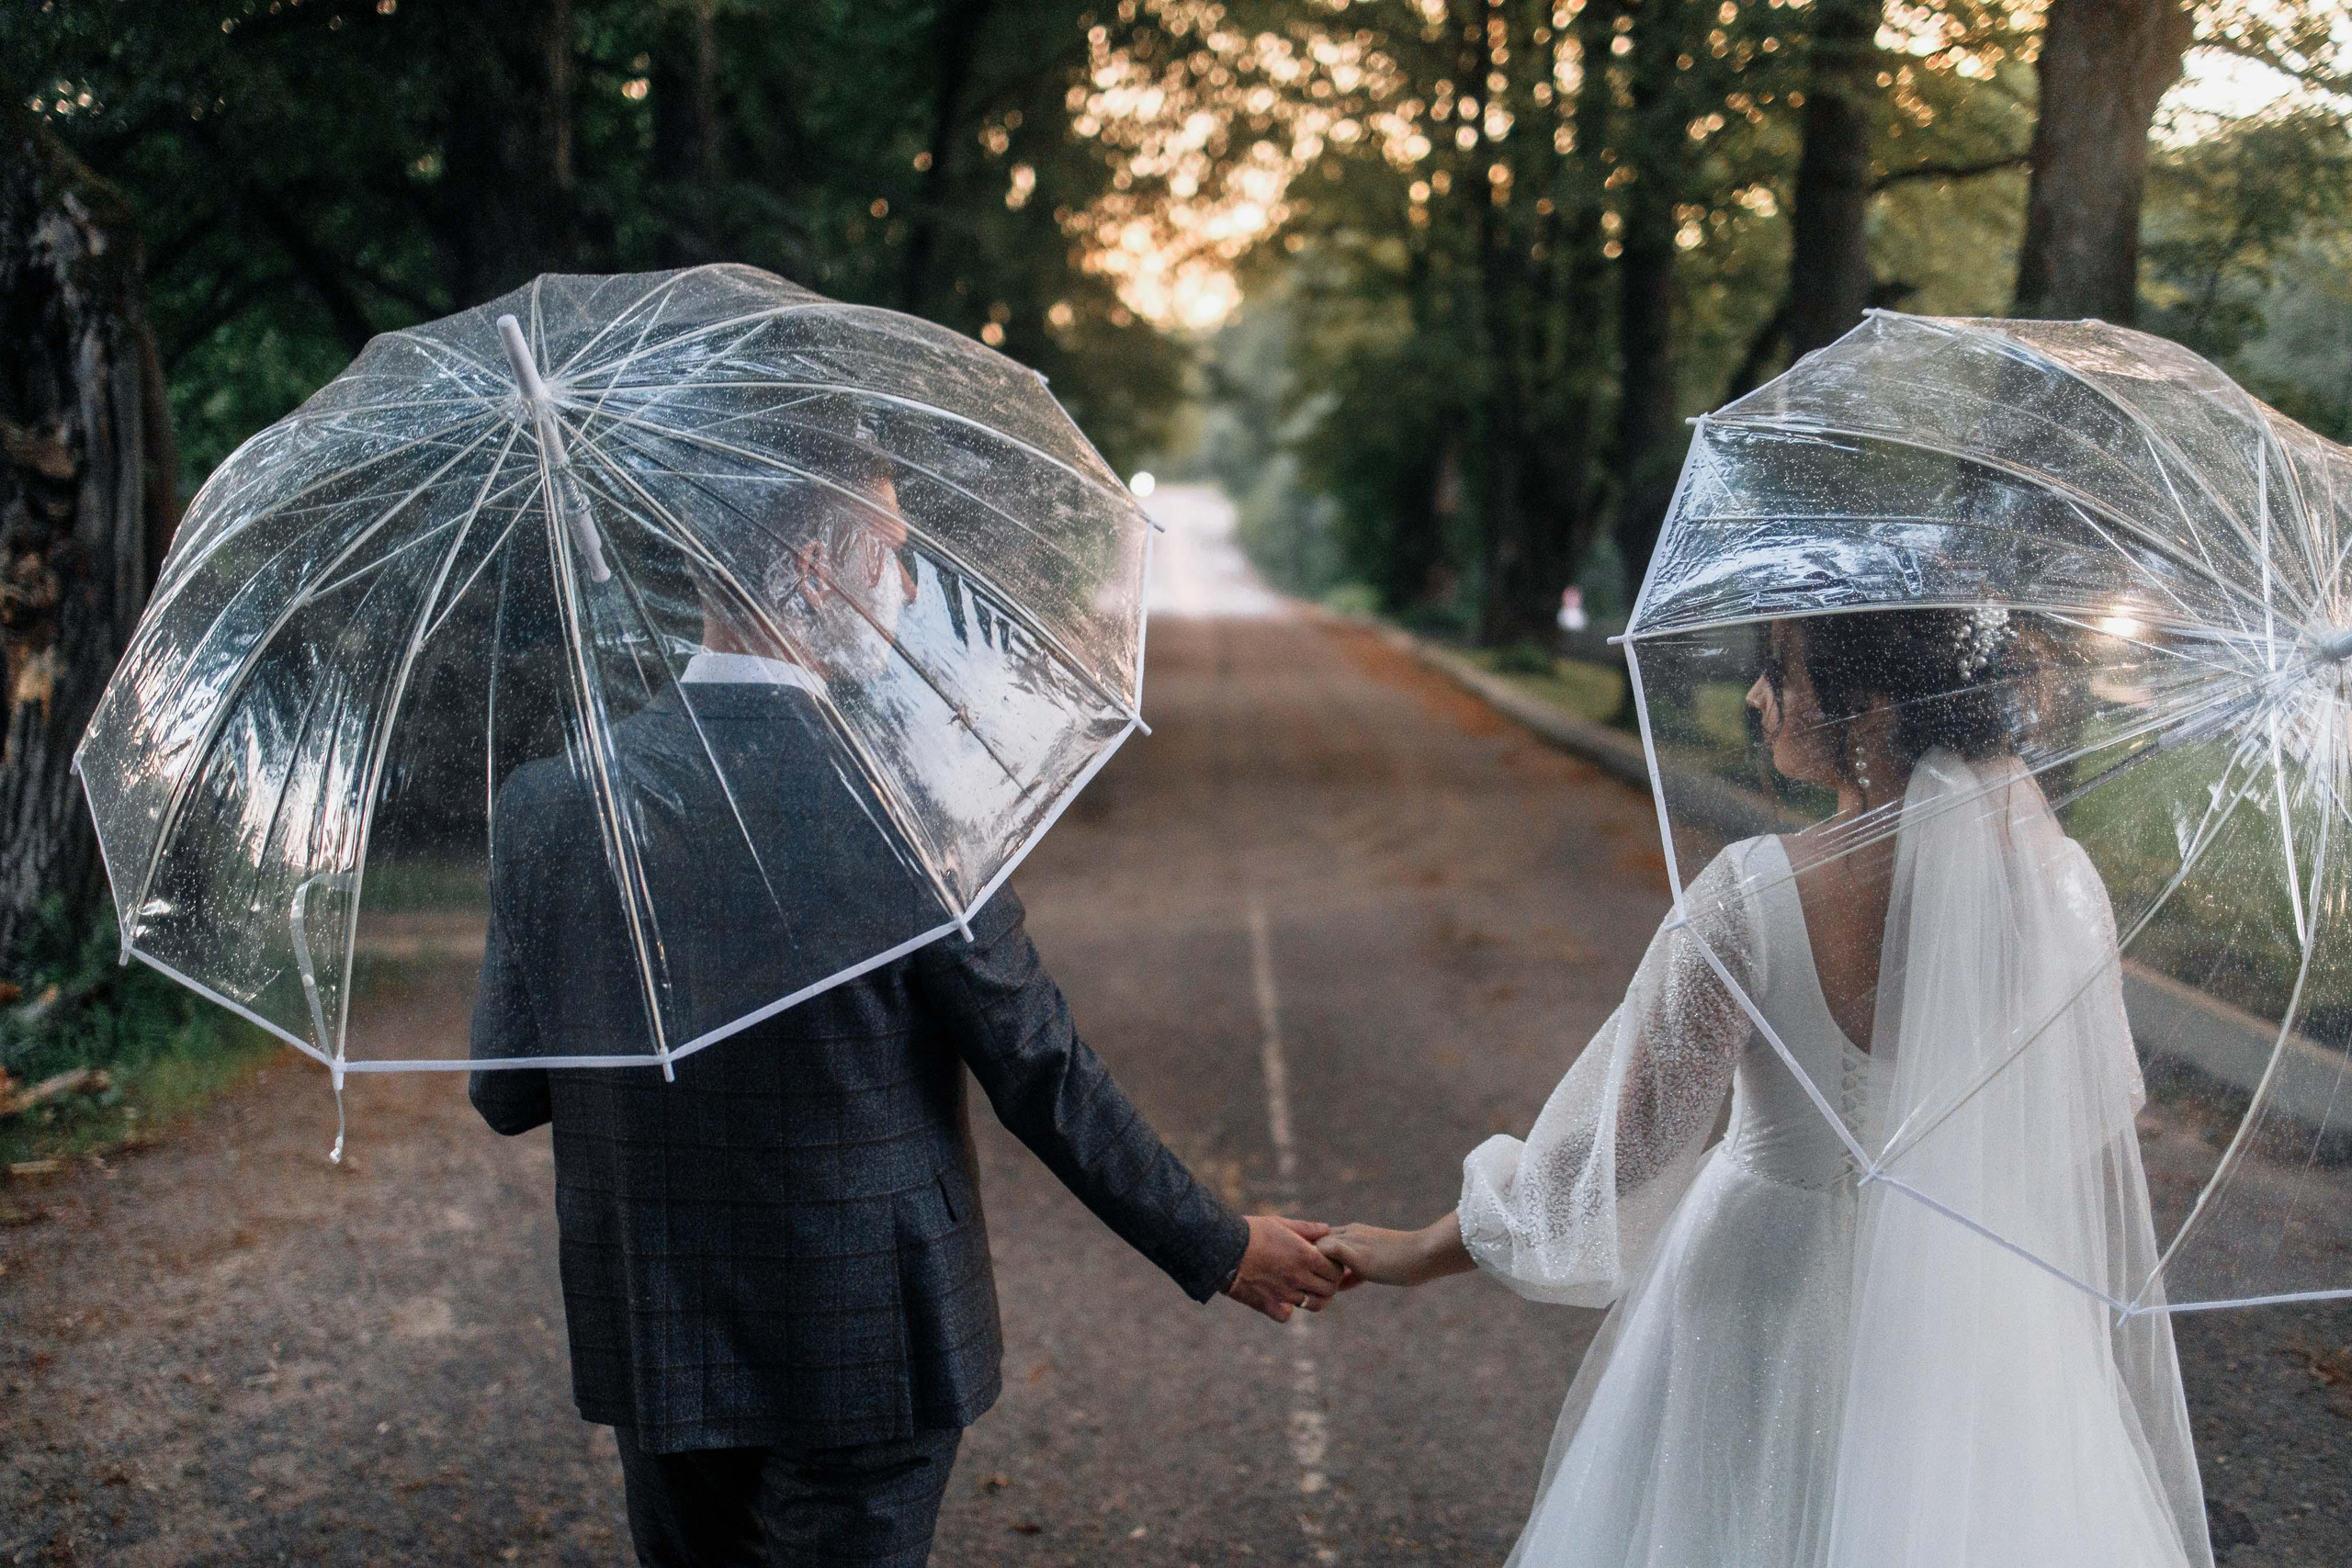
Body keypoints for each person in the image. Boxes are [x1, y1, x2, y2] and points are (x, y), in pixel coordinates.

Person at [468, 445, 1342, 1568]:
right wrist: (1218, 1245)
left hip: (658, 1325)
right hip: (865, 1340)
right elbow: (1037, 1066)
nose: (914, 590)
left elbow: (507, 1091)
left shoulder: (554, 804)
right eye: (894, 553)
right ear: (806, 568)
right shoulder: (906, 797)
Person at [1317, 609, 2211, 1568]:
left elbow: (1630, 1140)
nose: (1755, 696)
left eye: (1777, 670)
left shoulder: (1750, 893)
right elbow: (2091, 1114)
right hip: (1975, 1304)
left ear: (1866, 708)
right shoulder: (2059, 891)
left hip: (1767, 1297)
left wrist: (1421, 1249)